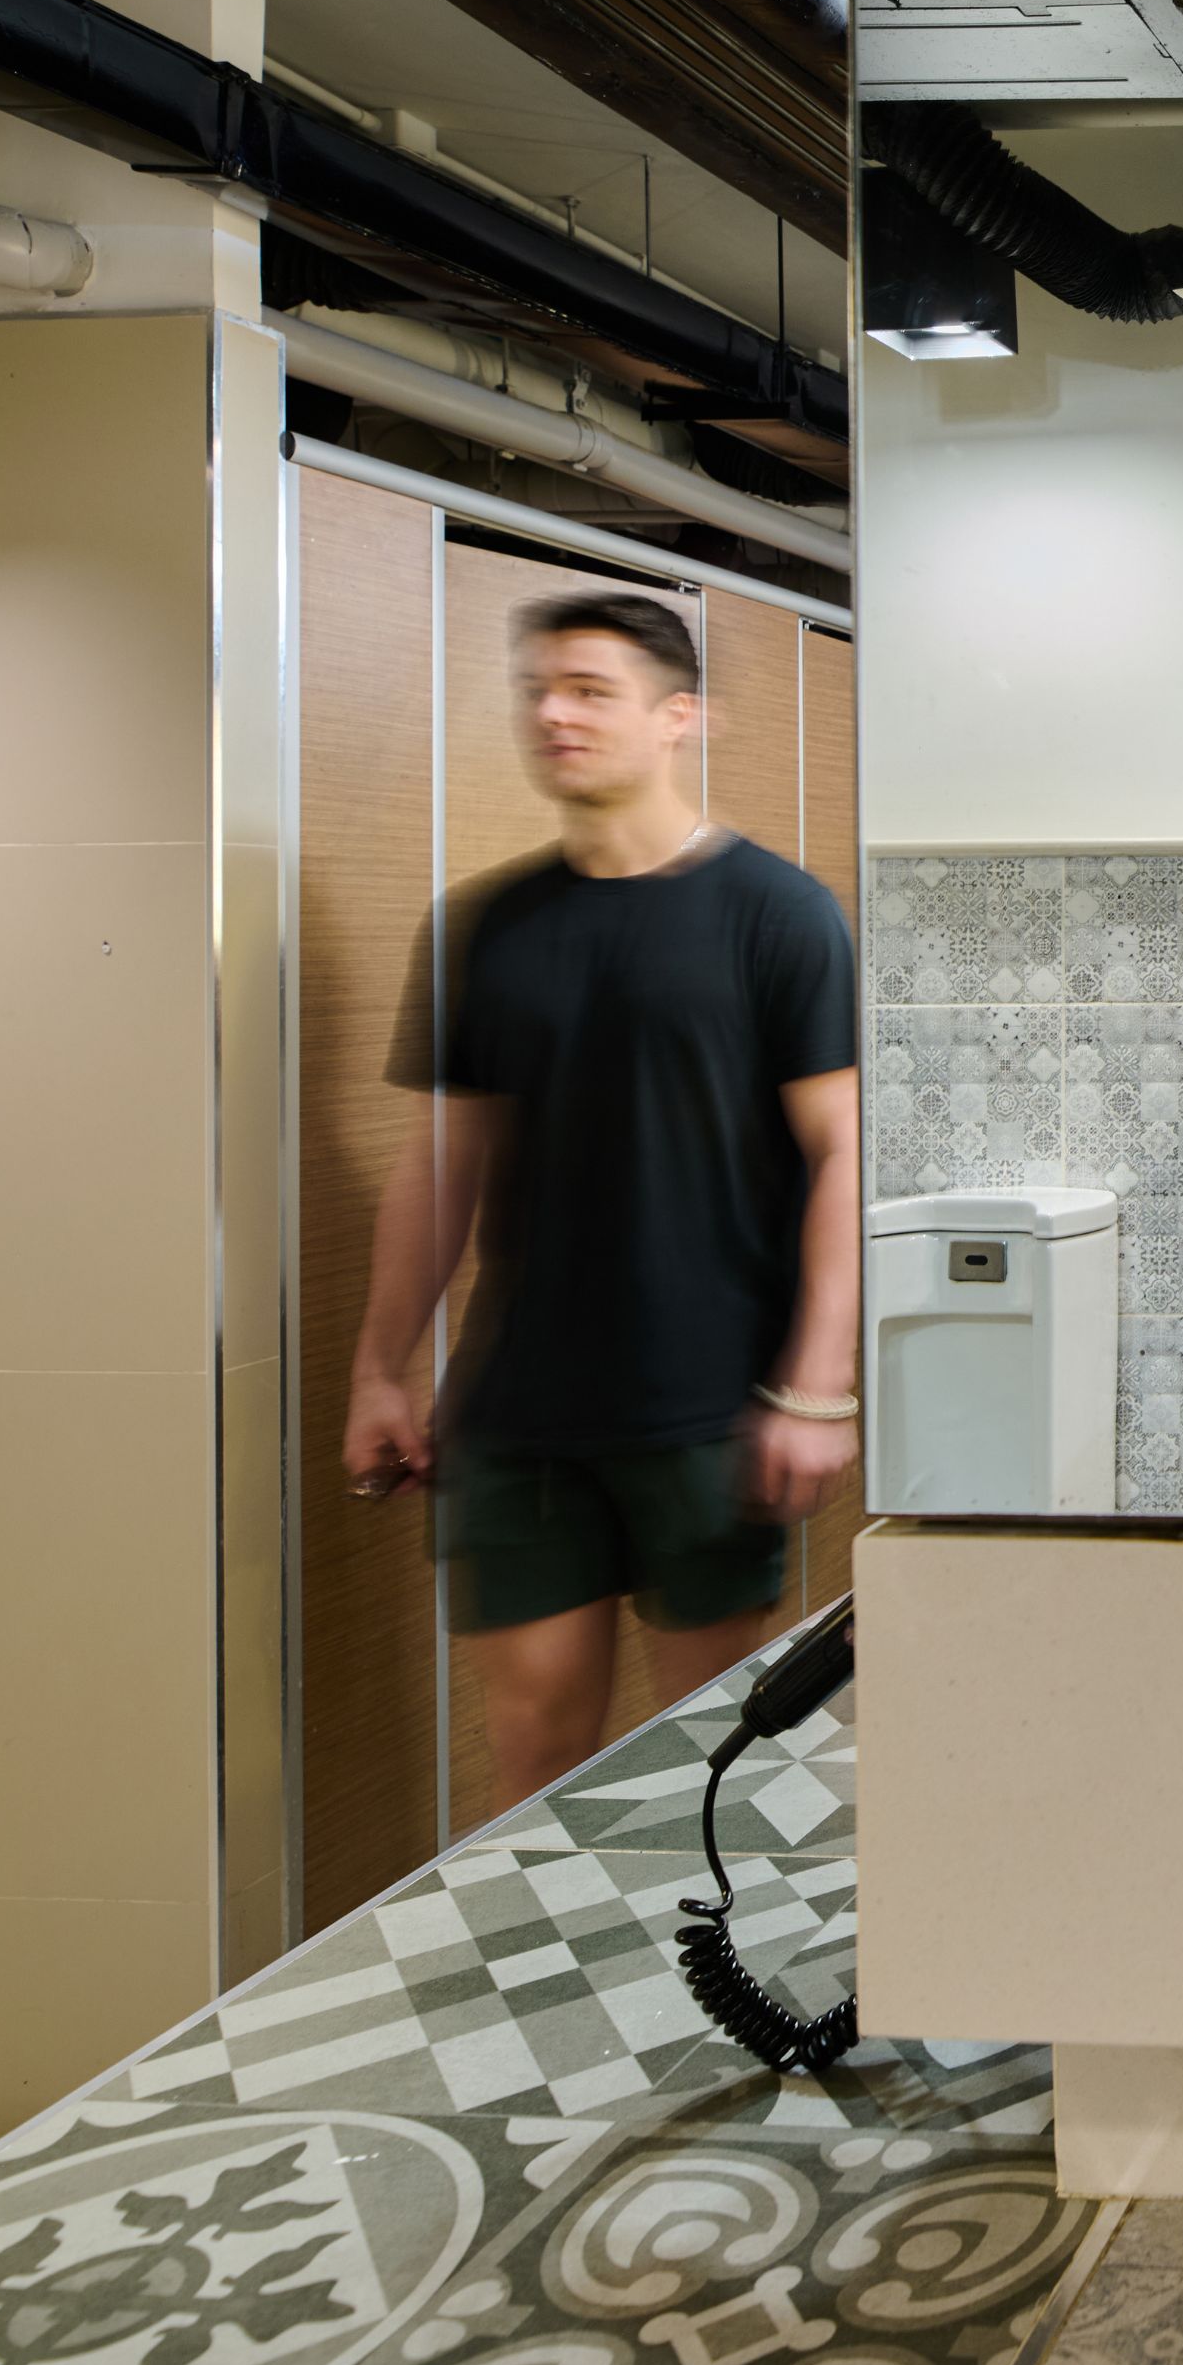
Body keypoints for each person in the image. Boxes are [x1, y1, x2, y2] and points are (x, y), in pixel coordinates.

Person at [345, 591, 861, 1806]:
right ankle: (544, 1995)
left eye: (589, 689)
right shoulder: (483, 925)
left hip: (708, 1411)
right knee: (533, 1757)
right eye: (536, 689)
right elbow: (443, 1163)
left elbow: (842, 1151)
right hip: (519, 1412)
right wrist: (381, 1365)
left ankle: (719, 1987)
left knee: (721, 1760)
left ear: (679, 715)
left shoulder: (778, 914)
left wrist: (816, 1384)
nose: (553, 713)